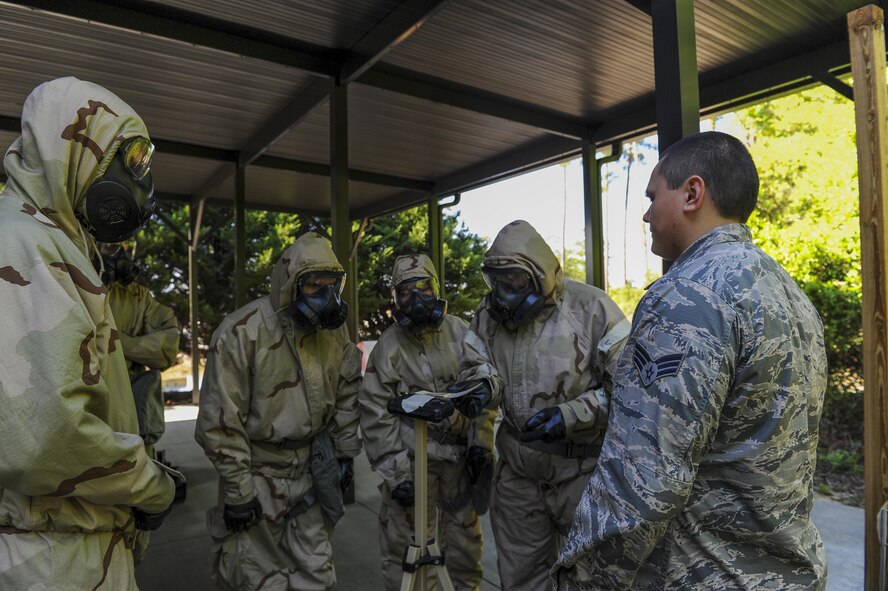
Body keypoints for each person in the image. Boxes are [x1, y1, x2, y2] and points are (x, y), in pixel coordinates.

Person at [553, 131, 828, 590]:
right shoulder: (789, 293)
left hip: (706, 576)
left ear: (692, 193)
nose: (645, 213)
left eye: (652, 195)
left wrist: (582, 577)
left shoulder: (688, 296)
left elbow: (643, 477)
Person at [0, 77, 178, 590]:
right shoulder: (25, 244)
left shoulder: (54, 243)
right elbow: (49, 436)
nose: (139, 181)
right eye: (130, 159)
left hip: (72, 549)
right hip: (53, 557)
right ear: (76, 148)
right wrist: (153, 486)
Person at [458, 219, 630, 591]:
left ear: (539, 275)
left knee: (592, 579)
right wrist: (480, 388)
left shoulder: (591, 308)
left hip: (582, 475)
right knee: (522, 580)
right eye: (497, 281)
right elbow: (475, 365)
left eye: (514, 281)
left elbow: (634, 389)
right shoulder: (487, 318)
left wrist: (572, 414)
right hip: (519, 478)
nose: (504, 293)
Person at [195, 231, 362, 591]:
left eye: (332, 286)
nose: (327, 297)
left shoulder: (334, 333)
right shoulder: (243, 332)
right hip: (257, 474)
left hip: (312, 471)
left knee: (317, 574)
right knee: (255, 578)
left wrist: (346, 453)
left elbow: (347, 392)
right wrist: (239, 492)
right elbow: (219, 421)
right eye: (314, 286)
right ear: (290, 285)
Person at [358, 253, 502, 591]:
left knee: (465, 549)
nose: (417, 299)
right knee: (407, 550)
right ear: (395, 298)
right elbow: (375, 416)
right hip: (413, 467)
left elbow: (482, 390)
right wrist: (396, 476)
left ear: (436, 289)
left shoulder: (461, 334)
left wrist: (481, 445)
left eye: (424, 287)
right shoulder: (388, 349)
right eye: (406, 291)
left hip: (459, 466)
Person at [98, 244, 180, 457]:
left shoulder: (137, 296)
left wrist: (114, 340)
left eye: (125, 246)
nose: (121, 253)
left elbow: (168, 348)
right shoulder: (66, 284)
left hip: (131, 423)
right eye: (111, 246)